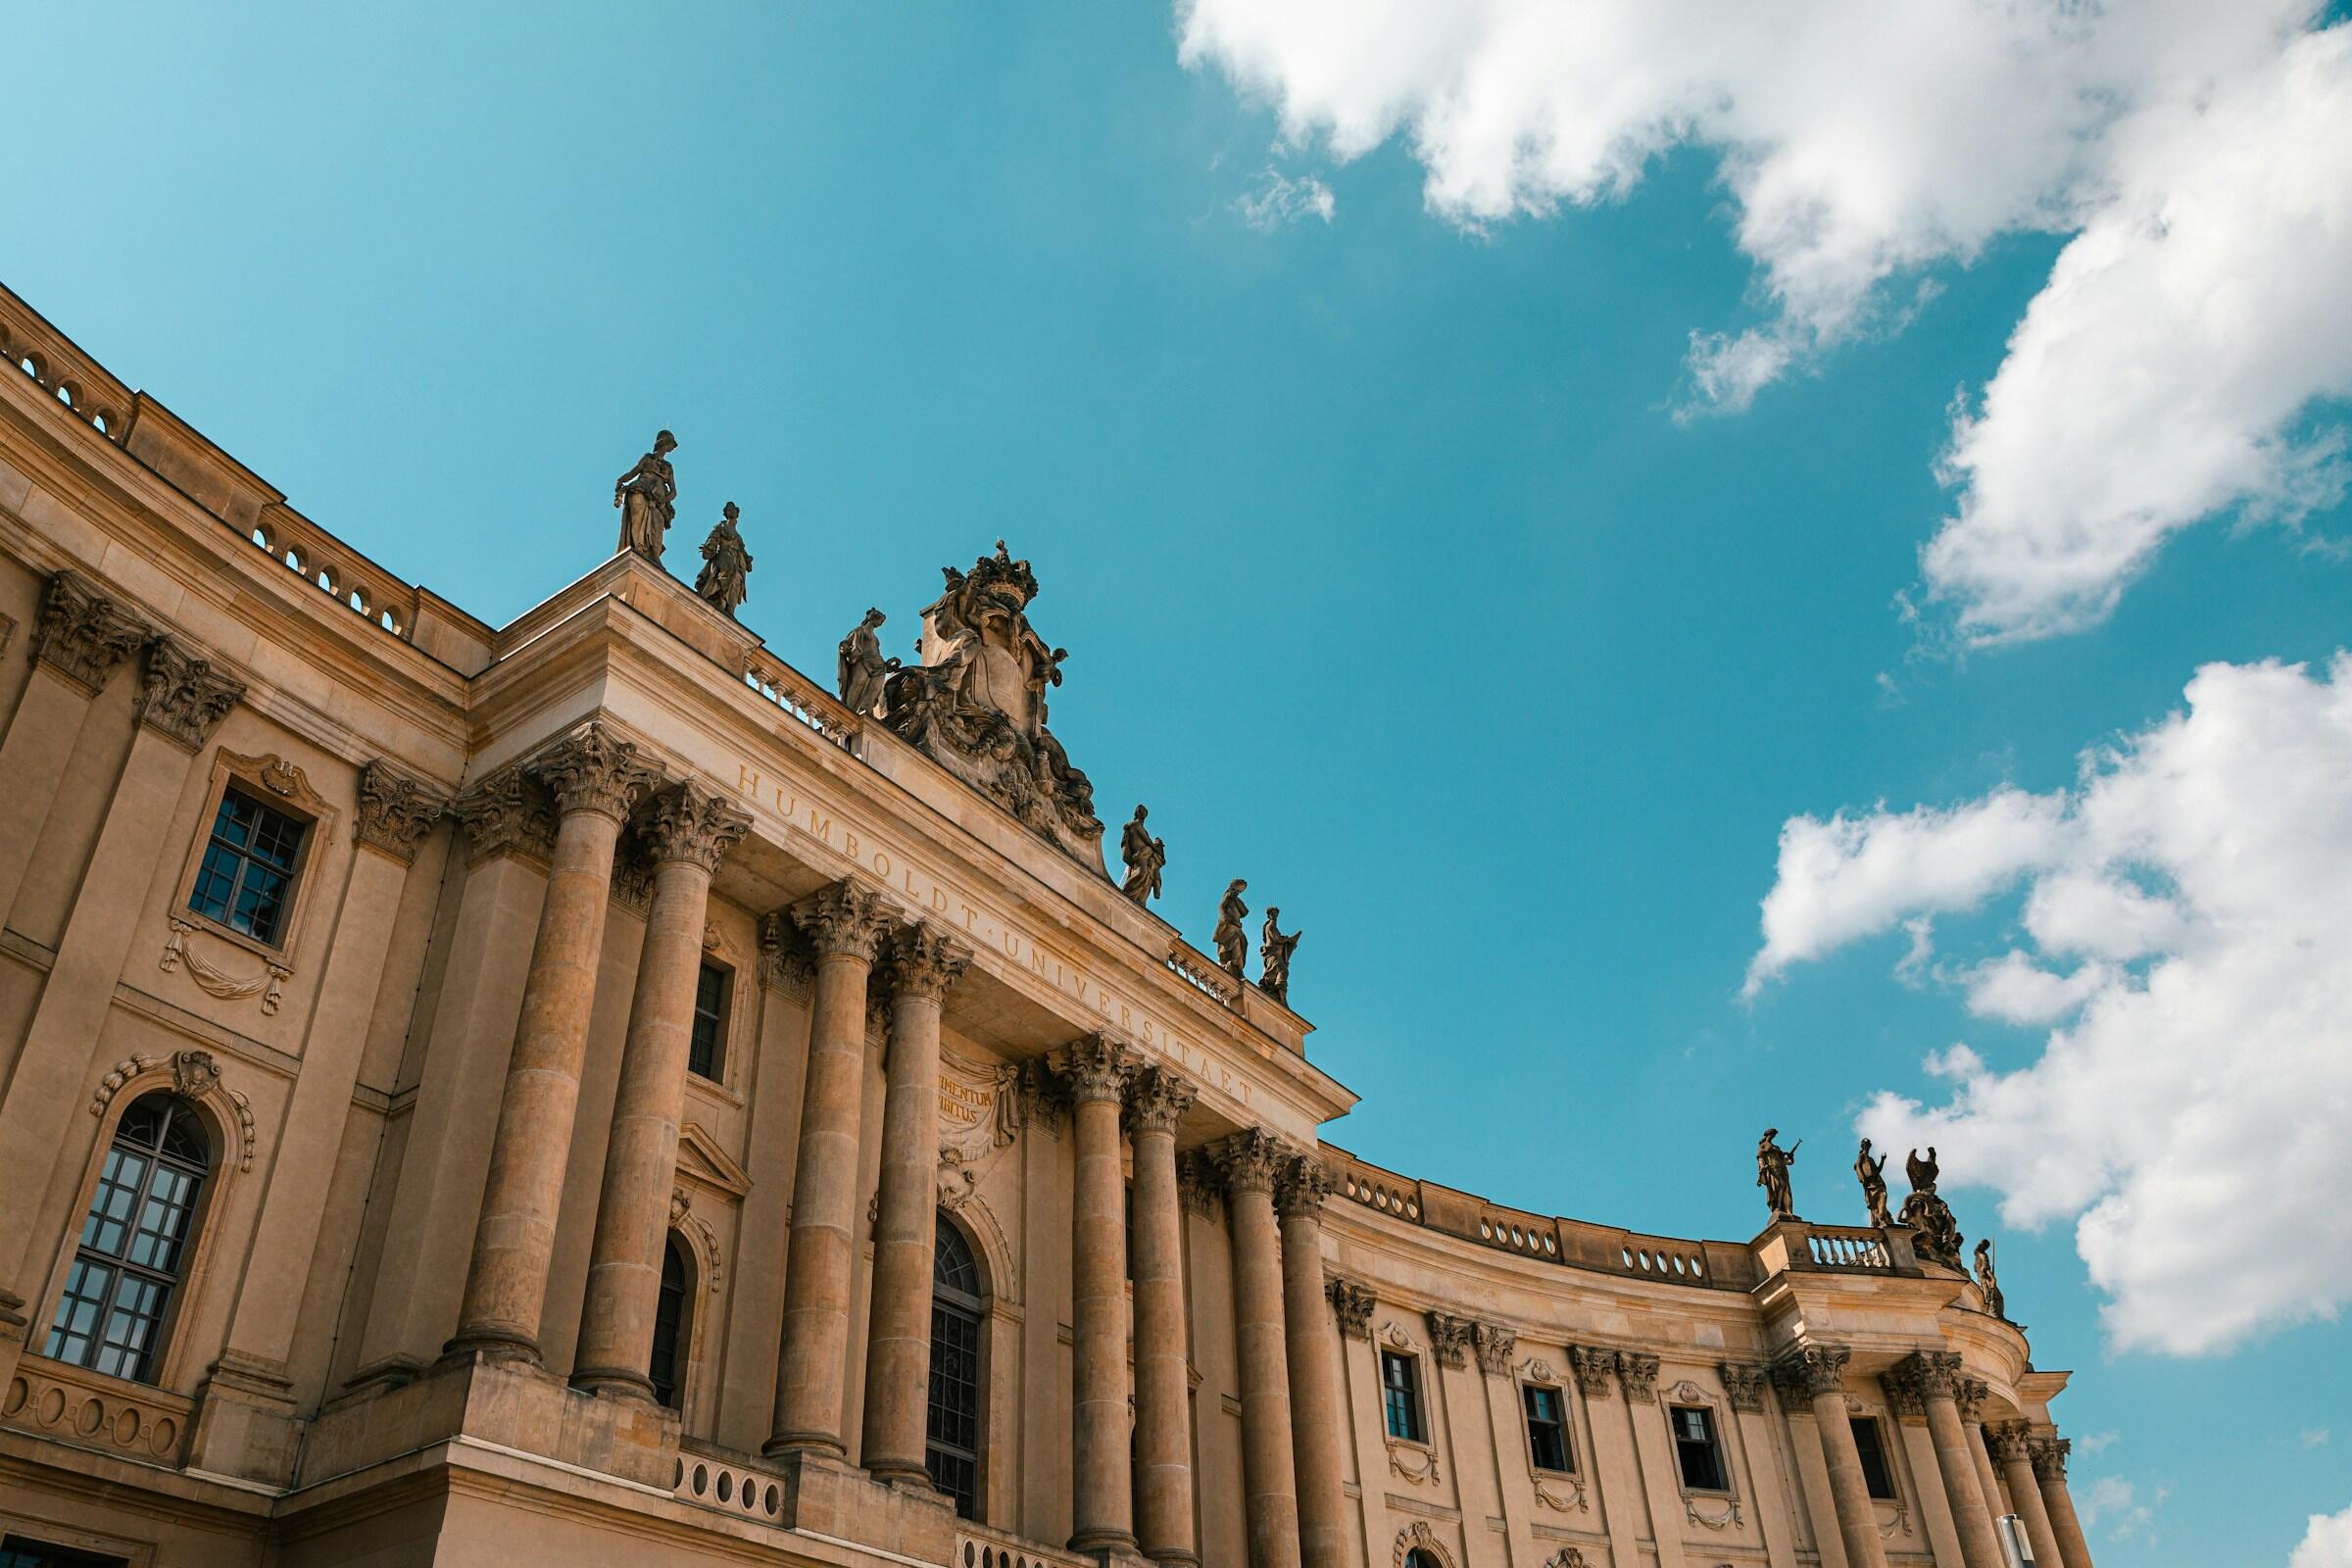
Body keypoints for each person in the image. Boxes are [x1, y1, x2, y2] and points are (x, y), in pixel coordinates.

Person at [614, 430, 679, 559]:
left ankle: (654, 555)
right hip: (641, 488)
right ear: (664, 443)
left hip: (658, 498)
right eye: (670, 444)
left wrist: (662, 500)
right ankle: (638, 547)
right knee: (637, 517)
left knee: (657, 524)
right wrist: (620, 480)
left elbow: (673, 491)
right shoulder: (648, 458)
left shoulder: (668, 467)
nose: (671, 448)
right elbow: (632, 473)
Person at [837, 608, 899, 715]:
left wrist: (886, 664)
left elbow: (876, 653)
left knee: (874, 689)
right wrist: (844, 648)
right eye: (880, 621)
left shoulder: (876, 639)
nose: (880, 624)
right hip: (862, 662)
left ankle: (866, 710)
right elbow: (846, 644)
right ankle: (848, 711)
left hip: (878, 666)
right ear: (874, 618)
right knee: (857, 684)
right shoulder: (859, 631)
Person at [694, 502, 752, 616]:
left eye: (732, 509)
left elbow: (742, 550)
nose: (731, 511)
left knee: (737, 581)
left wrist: (748, 560)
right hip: (725, 554)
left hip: (738, 561)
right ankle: (710, 595)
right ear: (725, 513)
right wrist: (709, 548)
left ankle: (729, 608)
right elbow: (713, 538)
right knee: (725, 573)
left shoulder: (738, 536)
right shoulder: (721, 527)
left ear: (737, 513)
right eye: (728, 510)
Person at [1119, 805, 1166, 905]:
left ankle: (1144, 896)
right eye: (1140, 811)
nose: (1142, 813)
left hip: (1145, 855)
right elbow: (1147, 841)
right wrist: (1155, 848)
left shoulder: (1142, 828)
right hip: (1139, 855)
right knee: (1142, 872)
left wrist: (1157, 846)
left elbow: (1147, 841)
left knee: (1148, 877)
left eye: (1143, 811)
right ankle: (1125, 894)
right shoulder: (1135, 825)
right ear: (1137, 813)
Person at [1259, 906, 1301, 1004]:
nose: (1274, 915)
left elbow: (1279, 940)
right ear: (1269, 916)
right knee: (1282, 970)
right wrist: (1288, 939)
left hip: (1275, 954)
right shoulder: (1270, 926)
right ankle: (1281, 997)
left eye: (1275, 913)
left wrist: (1289, 943)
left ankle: (1277, 992)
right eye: (1272, 913)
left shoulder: (1274, 927)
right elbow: (1277, 939)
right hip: (1272, 954)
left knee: (1278, 972)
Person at [1756, 1128, 1799, 1221]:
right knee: (1779, 1186)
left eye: (1774, 1135)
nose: (1773, 1137)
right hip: (1772, 1169)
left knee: (1786, 1188)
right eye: (1772, 1135)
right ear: (1768, 1135)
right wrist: (1762, 1167)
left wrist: (1791, 1157)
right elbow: (1760, 1158)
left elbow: (1786, 1162)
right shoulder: (1763, 1146)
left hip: (1782, 1169)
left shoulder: (1776, 1147)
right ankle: (1778, 1207)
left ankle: (1787, 1210)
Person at [1213, 878, 1249, 977]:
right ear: (1232, 887)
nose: (1237, 892)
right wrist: (1224, 916)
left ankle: (1238, 966)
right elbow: (1221, 906)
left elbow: (1245, 912)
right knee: (1235, 942)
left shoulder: (1236, 899)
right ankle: (1233, 964)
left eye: (1239, 891)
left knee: (1243, 942)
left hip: (1237, 926)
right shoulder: (1228, 895)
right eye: (1236, 890)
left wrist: (1236, 899)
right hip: (1229, 925)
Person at [1856, 1137, 1892, 1228]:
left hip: (1878, 1183)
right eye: (1865, 1145)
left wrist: (1882, 1160)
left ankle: (1883, 1219)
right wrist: (1862, 1178)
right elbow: (1858, 1166)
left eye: (1868, 1145)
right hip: (1870, 1185)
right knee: (1875, 1207)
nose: (1867, 1147)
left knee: (1883, 1197)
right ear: (1862, 1146)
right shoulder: (1861, 1156)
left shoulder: (1870, 1159)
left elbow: (1877, 1171)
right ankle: (1879, 1221)